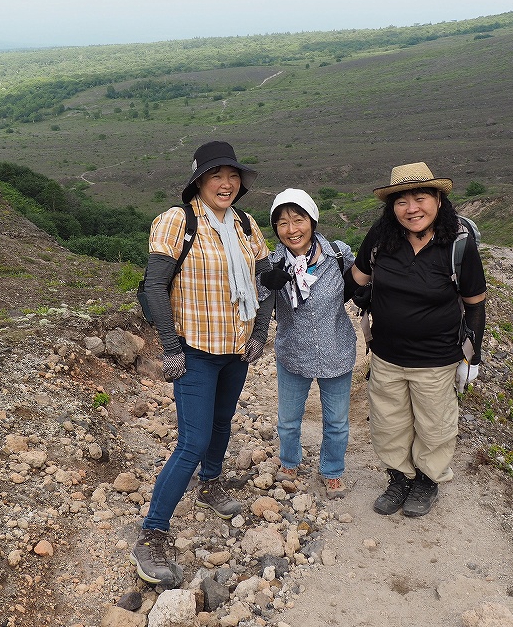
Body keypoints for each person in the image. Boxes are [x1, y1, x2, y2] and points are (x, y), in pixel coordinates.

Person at [133, 141, 273, 588]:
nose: (227, 183)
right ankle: (153, 531)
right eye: (217, 176)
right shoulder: (178, 221)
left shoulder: (247, 225)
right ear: (199, 181)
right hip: (194, 350)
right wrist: (170, 347)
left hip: (234, 349)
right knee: (192, 441)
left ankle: (210, 485)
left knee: (222, 422)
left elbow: (266, 282)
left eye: (233, 176)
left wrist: (259, 334)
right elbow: (154, 286)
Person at [350, 162, 486, 518]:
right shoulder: (381, 240)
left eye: (420, 197)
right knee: (388, 422)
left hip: (437, 359)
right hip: (386, 356)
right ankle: (399, 478)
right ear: (391, 207)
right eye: (401, 201)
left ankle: (427, 480)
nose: (412, 209)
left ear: (438, 200)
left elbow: (475, 306)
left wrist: (473, 359)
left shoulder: (458, 246)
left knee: (434, 425)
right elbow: (354, 282)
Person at [259, 189, 357, 499]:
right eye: (283, 223)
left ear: (312, 221)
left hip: (335, 352)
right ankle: (289, 461)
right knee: (288, 421)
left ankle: (331, 470)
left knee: (337, 422)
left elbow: (360, 285)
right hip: (293, 354)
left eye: (298, 220)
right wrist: (266, 283)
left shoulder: (338, 255)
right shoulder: (272, 262)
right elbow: (260, 305)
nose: (291, 230)